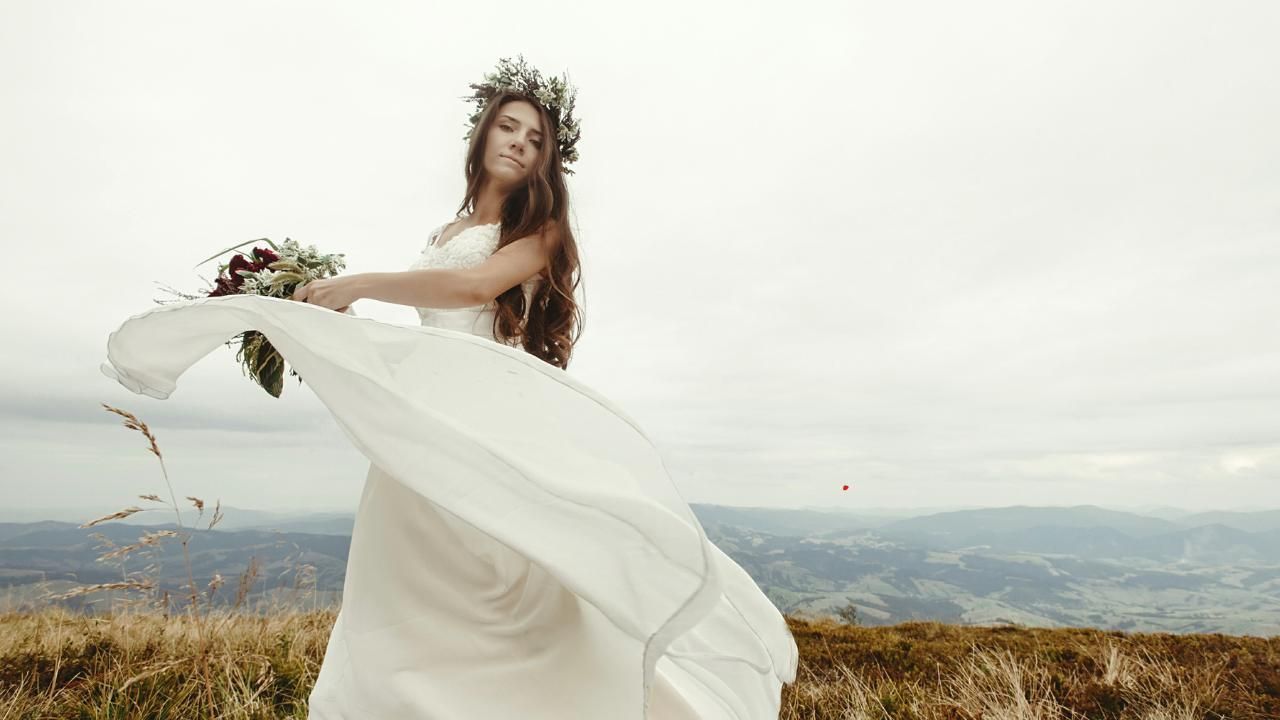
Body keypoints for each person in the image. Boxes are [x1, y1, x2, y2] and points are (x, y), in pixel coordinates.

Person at [100, 54, 797, 719]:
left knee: (498, 593)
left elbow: (472, 286)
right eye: (509, 127)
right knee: (405, 587)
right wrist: (316, 320)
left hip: (484, 419)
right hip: (425, 417)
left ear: (546, 161)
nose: (521, 144)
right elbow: (433, 315)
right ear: (483, 131)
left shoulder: (543, 230)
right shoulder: (448, 228)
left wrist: (360, 283)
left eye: (536, 139)